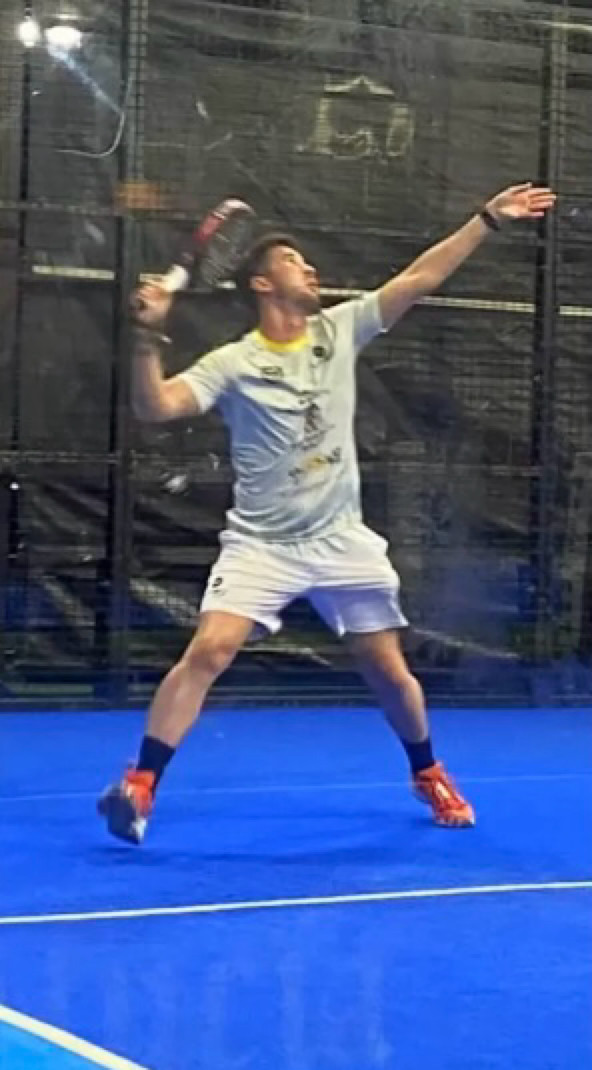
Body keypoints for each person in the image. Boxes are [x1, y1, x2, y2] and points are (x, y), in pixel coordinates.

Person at [99, 182, 556, 844]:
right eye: (294, 262)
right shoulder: (234, 363)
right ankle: (140, 784)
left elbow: (420, 278)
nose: (309, 269)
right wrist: (148, 336)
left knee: (389, 673)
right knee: (210, 649)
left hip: (341, 540)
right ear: (261, 284)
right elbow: (156, 406)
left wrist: (488, 219)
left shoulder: (339, 330)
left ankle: (426, 770)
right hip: (261, 544)